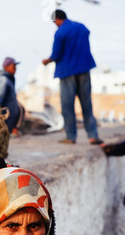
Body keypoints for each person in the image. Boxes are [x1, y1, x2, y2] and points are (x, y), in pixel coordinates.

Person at [42, 9, 103, 145]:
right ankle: (93, 135)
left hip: (67, 70)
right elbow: (88, 33)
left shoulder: (60, 32)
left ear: (57, 19)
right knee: (86, 103)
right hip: (84, 68)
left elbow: (56, 55)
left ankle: (70, 136)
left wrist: (47, 60)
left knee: (68, 105)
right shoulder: (81, 27)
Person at [0, 57, 24, 135]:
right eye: (13, 66)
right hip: (4, 123)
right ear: (6, 66)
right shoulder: (4, 81)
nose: (15, 68)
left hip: (8, 125)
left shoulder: (9, 80)